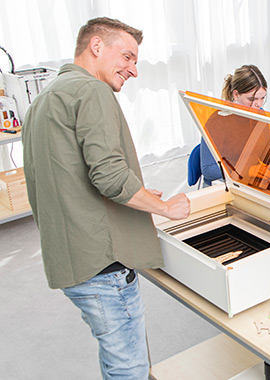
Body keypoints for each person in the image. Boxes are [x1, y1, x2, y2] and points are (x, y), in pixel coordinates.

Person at [22, 17, 191, 379]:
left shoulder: (45, 99)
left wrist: (141, 193)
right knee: (129, 367)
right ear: (97, 46)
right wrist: (164, 207)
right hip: (103, 265)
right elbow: (109, 175)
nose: (133, 70)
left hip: (71, 261)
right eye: (127, 57)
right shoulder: (92, 91)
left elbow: (62, 176)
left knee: (116, 356)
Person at [199, 64, 267, 186]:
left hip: (248, 180)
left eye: (262, 98)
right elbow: (208, 170)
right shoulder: (217, 120)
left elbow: (266, 151)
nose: (258, 104)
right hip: (221, 183)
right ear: (236, 95)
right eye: (252, 99)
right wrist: (247, 170)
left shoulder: (260, 115)